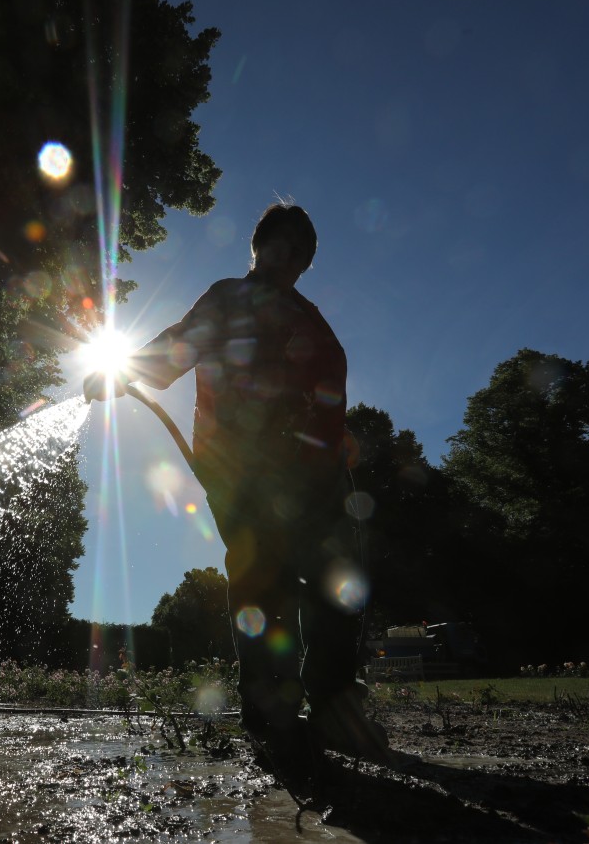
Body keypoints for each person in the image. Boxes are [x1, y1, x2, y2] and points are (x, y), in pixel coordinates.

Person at [84, 203, 387, 779]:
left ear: (305, 264)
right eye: (277, 244)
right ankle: (271, 716)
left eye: (298, 252)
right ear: (258, 247)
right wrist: (119, 369)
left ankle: (331, 707)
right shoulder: (230, 298)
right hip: (246, 475)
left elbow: (317, 388)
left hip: (318, 482)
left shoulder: (310, 316)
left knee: (337, 590)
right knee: (264, 586)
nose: (287, 257)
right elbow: (180, 346)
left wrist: (338, 438)